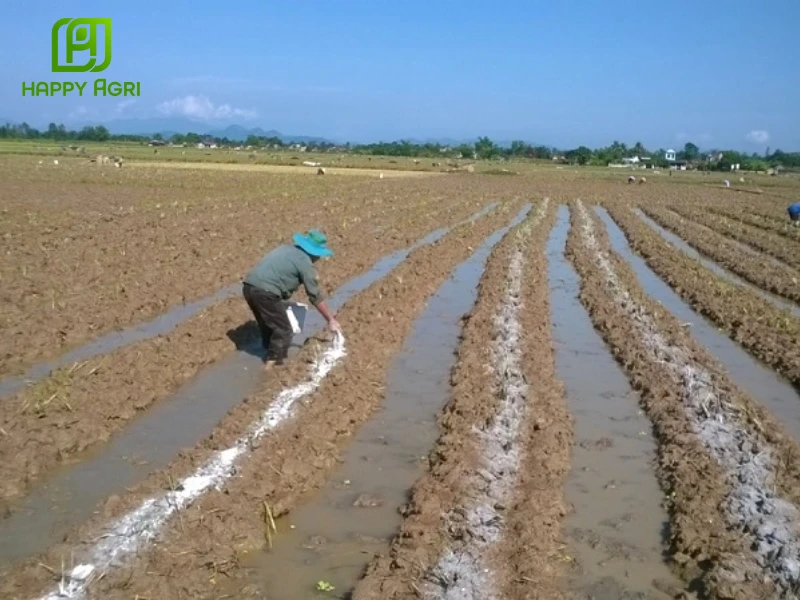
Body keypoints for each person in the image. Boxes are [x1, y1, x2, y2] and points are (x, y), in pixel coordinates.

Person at [242, 229, 341, 370]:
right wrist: (330, 319)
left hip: (249, 287)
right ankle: (270, 368)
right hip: (266, 293)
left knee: (267, 325)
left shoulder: (285, 248)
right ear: (314, 253)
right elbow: (314, 295)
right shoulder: (305, 262)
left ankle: (267, 354)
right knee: (284, 330)